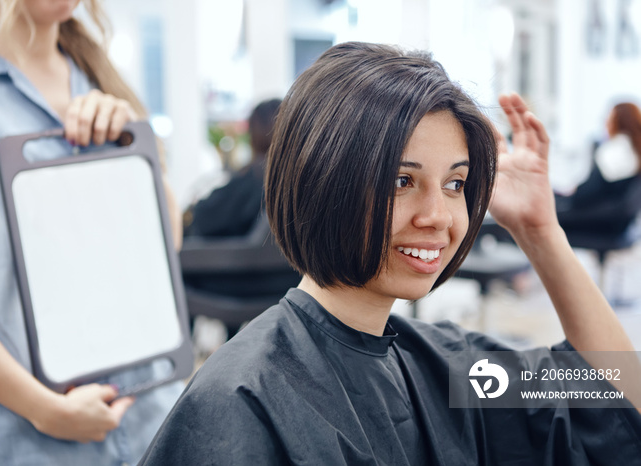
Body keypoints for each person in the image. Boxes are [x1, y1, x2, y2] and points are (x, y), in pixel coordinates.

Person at [140, 42, 641, 465]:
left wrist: (540, 231)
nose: (439, 216)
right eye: (402, 181)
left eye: (454, 184)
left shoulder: (452, 371)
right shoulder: (242, 401)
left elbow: (616, 395)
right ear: (325, 182)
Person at [0, 1, 183, 464]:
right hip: (18, 438)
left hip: (148, 419)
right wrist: (43, 409)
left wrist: (129, 145)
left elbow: (166, 248)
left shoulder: (98, 77)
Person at [184, 98, 282, 237]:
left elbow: (203, 216)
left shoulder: (255, 178)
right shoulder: (285, 179)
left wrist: (194, 207)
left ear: (254, 134)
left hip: (220, 254)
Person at [556, 102, 641, 235]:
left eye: (608, 118)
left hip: (603, 222)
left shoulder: (613, 151)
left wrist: (573, 192)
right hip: (621, 222)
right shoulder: (635, 150)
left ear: (616, 121)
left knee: (548, 215)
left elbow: (585, 196)